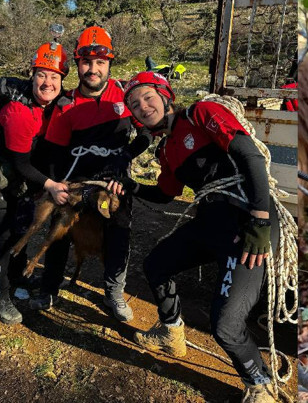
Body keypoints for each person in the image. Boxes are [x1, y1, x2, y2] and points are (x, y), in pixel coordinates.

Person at [110, 71, 279, 403]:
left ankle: (260, 384)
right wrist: (131, 187)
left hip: (245, 221)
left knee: (225, 325)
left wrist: (260, 220)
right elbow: (165, 194)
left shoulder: (200, 114)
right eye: (134, 104)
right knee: (156, 265)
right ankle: (171, 334)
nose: (143, 107)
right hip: (210, 221)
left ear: (165, 96)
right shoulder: (166, 149)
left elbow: (250, 155)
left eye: (148, 97)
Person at [28, 26, 151, 323]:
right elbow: (55, 151)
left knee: (119, 231)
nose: (93, 69)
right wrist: (54, 187)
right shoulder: (65, 104)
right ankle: (49, 286)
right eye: (86, 62)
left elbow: (146, 131)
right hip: (76, 181)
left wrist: (126, 155)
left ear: (109, 64)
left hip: (114, 182)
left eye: (100, 62)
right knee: (59, 229)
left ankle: (113, 292)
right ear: (78, 64)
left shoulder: (125, 96)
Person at [0, 41, 70, 324]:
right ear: (32, 75)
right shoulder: (18, 112)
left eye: (54, 76)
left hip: (16, 180)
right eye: (42, 74)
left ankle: (17, 277)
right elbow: (21, 163)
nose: (48, 82)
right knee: (4, 235)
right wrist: (51, 185)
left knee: (21, 227)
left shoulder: (49, 106)